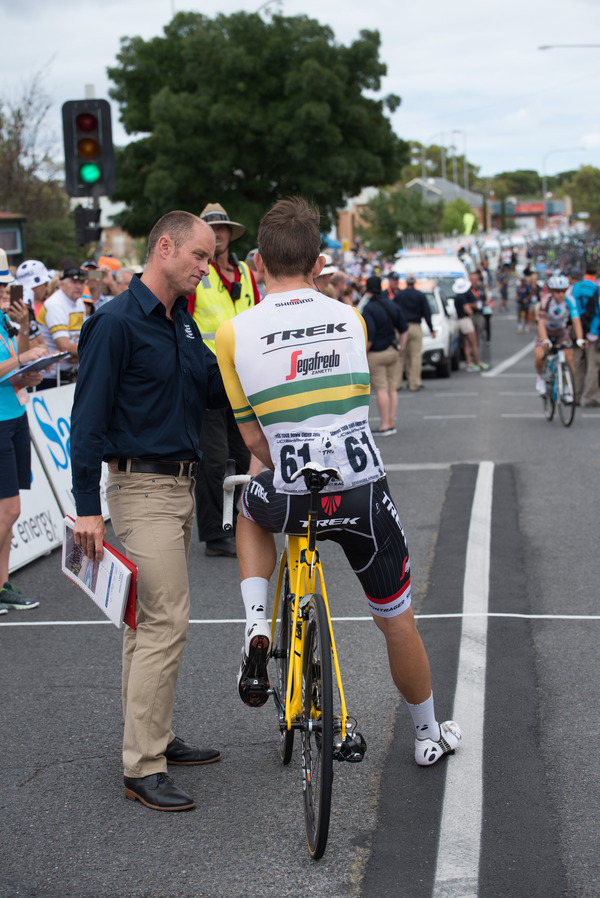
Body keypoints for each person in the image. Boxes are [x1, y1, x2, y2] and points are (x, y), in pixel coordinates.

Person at [215, 197, 461, 768]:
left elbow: (255, 444)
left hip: (288, 493)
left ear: (258, 263)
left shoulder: (232, 333)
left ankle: (256, 626)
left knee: (248, 505)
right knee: (396, 619)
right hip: (359, 487)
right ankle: (427, 734)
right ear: (319, 261)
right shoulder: (348, 317)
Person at [70, 211, 227, 812]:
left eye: (209, 258)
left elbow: (216, 391)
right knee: (165, 621)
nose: (205, 267)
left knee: (147, 624)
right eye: (200, 256)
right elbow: (86, 423)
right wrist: (88, 509)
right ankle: (143, 766)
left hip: (180, 491)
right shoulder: (114, 323)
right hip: (139, 492)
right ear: (165, 248)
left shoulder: (181, 324)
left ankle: (153, 736)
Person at [190, 202, 262, 558]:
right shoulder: (196, 273)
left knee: (244, 451)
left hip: (243, 375)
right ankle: (215, 534)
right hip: (209, 376)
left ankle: (239, 521)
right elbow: (184, 326)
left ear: (230, 234)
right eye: (211, 229)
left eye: (222, 229)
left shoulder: (246, 272)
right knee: (214, 458)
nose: (217, 235)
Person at [0, 250, 46, 613]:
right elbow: (15, 361)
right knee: (9, 511)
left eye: (7, 285)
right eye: (0, 287)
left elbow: (21, 363)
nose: (5, 293)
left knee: (9, 511)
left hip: (14, 414)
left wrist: (27, 328)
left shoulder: (7, 321)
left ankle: (3, 584)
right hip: (2, 421)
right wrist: (21, 362)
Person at [361, 274, 407, 435]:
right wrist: (401, 347)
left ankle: (384, 425)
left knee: (381, 389)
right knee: (392, 388)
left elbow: (370, 335)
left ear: (368, 290)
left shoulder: (368, 309)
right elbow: (404, 328)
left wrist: (362, 354)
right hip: (393, 350)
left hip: (377, 353)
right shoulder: (391, 304)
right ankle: (391, 421)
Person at [35, 263, 87, 388]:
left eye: (81, 282)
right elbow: (64, 346)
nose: (78, 286)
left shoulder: (79, 303)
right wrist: (89, 352)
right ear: (61, 283)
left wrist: (79, 354)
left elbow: (81, 341)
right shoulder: (55, 304)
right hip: (51, 374)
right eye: (73, 282)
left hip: (70, 370)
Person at [535, 274, 585, 398]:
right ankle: (541, 377)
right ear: (552, 291)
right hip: (546, 330)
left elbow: (576, 321)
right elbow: (541, 323)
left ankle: (567, 387)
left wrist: (580, 338)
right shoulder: (546, 301)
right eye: (557, 291)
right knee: (540, 355)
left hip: (561, 331)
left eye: (563, 291)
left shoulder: (570, 301)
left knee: (569, 357)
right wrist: (545, 339)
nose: (561, 294)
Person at [394, 274, 436, 391]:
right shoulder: (420, 295)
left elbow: (394, 311)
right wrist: (431, 329)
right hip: (415, 326)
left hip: (401, 327)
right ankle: (414, 383)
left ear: (406, 282)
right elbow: (427, 313)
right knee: (415, 356)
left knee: (400, 355)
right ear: (415, 282)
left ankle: (396, 383)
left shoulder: (399, 295)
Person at [571, 262, 600, 407]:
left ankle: (574, 395)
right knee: (593, 365)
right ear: (597, 272)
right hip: (592, 332)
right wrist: (593, 333)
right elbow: (598, 312)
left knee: (577, 363)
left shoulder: (576, 287)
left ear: (584, 271)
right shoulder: (596, 288)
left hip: (577, 330)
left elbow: (571, 308)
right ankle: (590, 397)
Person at [452, 277, 489, 372]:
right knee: (474, 342)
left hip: (460, 320)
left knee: (467, 343)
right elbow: (468, 310)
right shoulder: (462, 298)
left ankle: (469, 363)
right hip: (465, 320)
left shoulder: (457, 297)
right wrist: (471, 308)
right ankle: (477, 362)